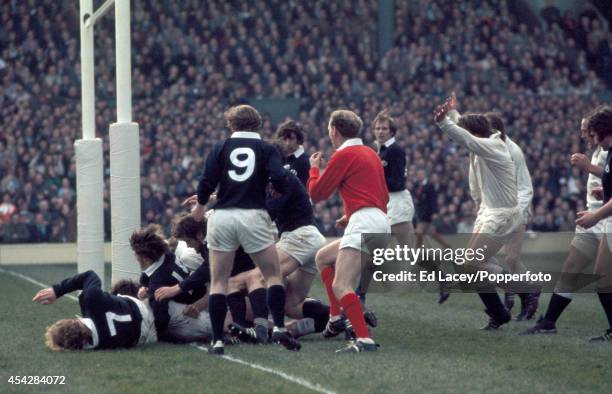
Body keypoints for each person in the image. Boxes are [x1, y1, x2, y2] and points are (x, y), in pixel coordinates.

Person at [190, 104, 298, 354]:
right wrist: (276, 188)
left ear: (231, 124)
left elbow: (206, 181)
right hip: (253, 215)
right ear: (258, 124)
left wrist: (199, 207)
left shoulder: (221, 147)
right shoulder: (266, 148)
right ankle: (279, 327)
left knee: (219, 281)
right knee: (272, 275)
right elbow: (280, 178)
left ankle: (217, 341)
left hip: (223, 216)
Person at [434, 95, 530, 330]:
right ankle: (499, 314)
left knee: (472, 264)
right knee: (471, 267)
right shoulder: (487, 142)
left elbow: (466, 138)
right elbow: (468, 133)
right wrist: (454, 115)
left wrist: (444, 123)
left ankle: (521, 289)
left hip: (502, 215)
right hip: (490, 211)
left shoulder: (494, 147)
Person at [309, 109, 391, 353]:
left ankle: (364, 340)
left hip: (365, 221)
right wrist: (351, 214)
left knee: (341, 285)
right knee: (323, 257)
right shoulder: (370, 153)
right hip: (379, 219)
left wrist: (313, 169)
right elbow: (382, 195)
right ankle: (335, 319)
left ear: (334, 131)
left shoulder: (343, 155)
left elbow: (317, 194)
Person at [521, 116, 608, 336]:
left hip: (604, 217)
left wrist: (589, 168)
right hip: (592, 218)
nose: (582, 134)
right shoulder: (599, 150)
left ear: (596, 131)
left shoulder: (607, 149)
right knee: (570, 269)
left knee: (604, 277)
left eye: (585, 130)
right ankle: (549, 322)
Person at [483, 111, 537, 320]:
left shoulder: (513, 151)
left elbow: (525, 187)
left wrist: (517, 213)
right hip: (498, 211)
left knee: (511, 258)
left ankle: (523, 294)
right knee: (508, 259)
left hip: (515, 210)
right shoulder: (493, 149)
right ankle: (524, 293)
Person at [32, 270, 157, 350]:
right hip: (141, 305)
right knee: (121, 287)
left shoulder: (99, 346)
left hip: (149, 335)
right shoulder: (91, 300)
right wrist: (57, 290)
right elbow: (90, 275)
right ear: (73, 321)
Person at [130, 224, 211, 343]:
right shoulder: (167, 254)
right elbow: (152, 274)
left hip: (196, 314)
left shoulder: (157, 282)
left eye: (136, 253)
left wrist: (159, 336)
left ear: (146, 258)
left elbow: (161, 318)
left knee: (149, 308)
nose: (134, 255)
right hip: (204, 298)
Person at [276, 120, 310, 186]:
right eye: (285, 139)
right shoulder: (279, 158)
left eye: (291, 139)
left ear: (299, 139)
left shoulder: (305, 161)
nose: (288, 143)